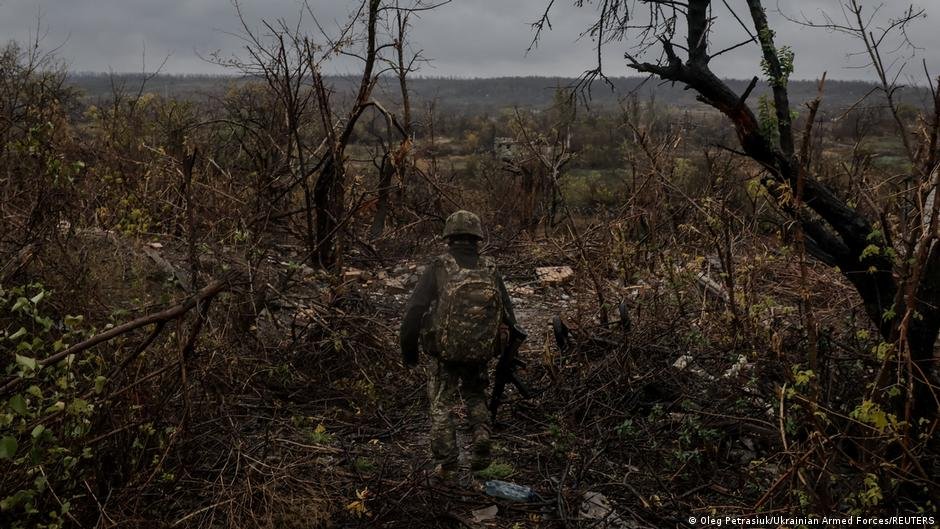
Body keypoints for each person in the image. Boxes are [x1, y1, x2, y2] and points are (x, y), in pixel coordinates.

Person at [400, 210, 521, 478]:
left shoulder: (440, 267)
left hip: (445, 352)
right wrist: (503, 347)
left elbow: (414, 310)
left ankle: (448, 463)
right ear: (477, 237)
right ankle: (481, 435)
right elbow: (509, 314)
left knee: (441, 404)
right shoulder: (489, 267)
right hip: (479, 350)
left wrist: (409, 353)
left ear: (449, 237)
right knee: (475, 394)